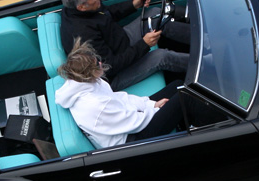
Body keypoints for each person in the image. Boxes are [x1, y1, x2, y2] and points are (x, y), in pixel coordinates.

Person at [59, 0, 191, 92]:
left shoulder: (79, 8)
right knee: (162, 56)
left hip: (120, 42)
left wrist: (133, 5)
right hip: (113, 75)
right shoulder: (84, 34)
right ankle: (205, 65)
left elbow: (105, 14)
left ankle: (205, 40)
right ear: (82, 7)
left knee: (155, 14)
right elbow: (111, 66)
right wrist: (144, 44)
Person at [54, 39, 183, 149]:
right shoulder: (95, 105)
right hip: (133, 140)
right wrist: (156, 109)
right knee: (184, 97)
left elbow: (121, 99)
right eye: (96, 64)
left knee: (177, 85)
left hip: (129, 119)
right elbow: (132, 122)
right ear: (88, 73)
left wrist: (151, 104)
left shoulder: (88, 82)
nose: (100, 63)